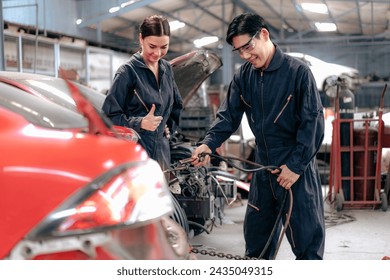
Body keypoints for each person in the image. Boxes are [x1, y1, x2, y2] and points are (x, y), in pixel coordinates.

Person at [191, 13, 325, 260]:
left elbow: (313, 124)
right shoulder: (244, 77)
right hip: (263, 169)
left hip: (296, 171)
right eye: (238, 51)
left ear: (264, 34)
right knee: (256, 245)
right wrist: (208, 144)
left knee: (307, 247)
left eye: (248, 47)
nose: (244, 56)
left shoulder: (298, 74)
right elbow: (228, 116)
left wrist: (295, 166)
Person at [102, 15, 183, 171]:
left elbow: (176, 105)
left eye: (164, 47)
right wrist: (140, 123)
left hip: (162, 153)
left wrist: (168, 128)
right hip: (136, 155)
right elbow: (108, 117)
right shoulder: (127, 73)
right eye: (152, 46)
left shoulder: (167, 69)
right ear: (141, 39)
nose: (158, 53)